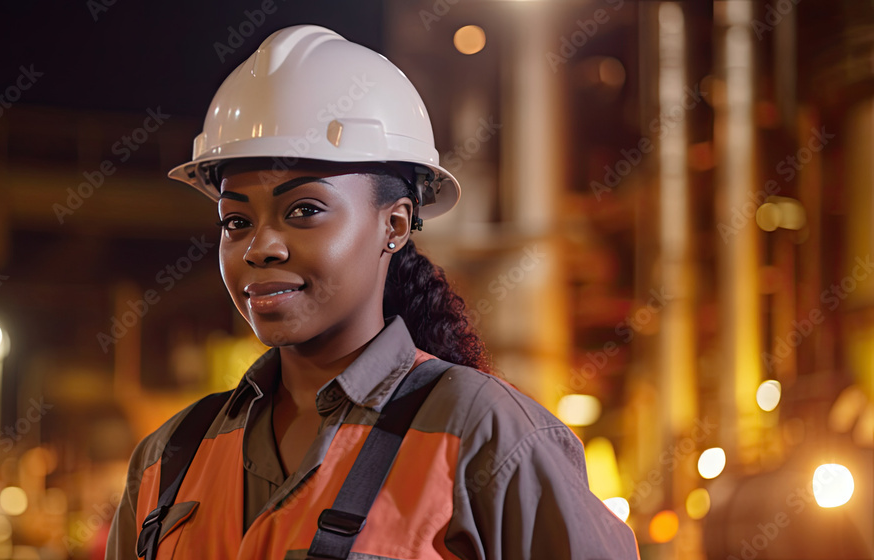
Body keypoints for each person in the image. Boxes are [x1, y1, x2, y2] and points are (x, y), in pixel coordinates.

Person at [105, 24, 640, 559]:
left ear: (396, 225)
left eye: (304, 210)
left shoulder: (484, 436)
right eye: (236, 221)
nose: (259, 247)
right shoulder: (168, 460)